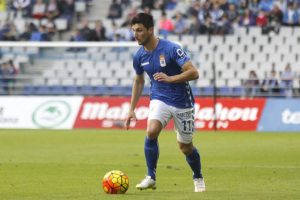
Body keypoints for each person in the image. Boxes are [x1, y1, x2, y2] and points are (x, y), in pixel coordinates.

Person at [124, 13, 205, 193]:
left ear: (150, 30)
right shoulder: (139, 56)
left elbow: (194, 72)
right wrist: (131, 109)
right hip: (159, 97)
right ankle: (150, 177)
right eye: (133, 31)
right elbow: (139, 81)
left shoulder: (171, 49)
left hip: (182, 101)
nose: (135, 35)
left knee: (185, 147)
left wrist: (171, 78)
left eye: (139, 30)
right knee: (151, 131)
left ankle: (198, 175)